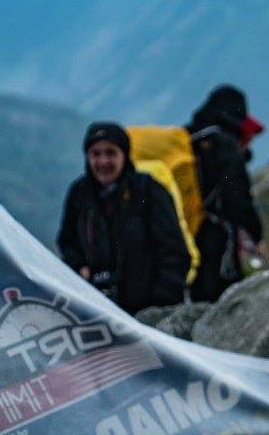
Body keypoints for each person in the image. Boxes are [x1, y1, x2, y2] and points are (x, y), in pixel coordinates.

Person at [57, 122, 191, 314]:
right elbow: (67, 242)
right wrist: (79, 267)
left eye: (111, 153)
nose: (103, 161)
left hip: (148, 310)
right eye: (96, 154)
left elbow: (174, 251)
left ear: (124, 155)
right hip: (96, 309)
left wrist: (160, 305)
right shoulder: (79, 194)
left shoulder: (148, 190)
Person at [187, 84, 266, 302]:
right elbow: (238, 194)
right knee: (219, 296)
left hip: (184, 228)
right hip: (214, 234)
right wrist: (256, 235)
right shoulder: (225, 144)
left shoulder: (188, 137)